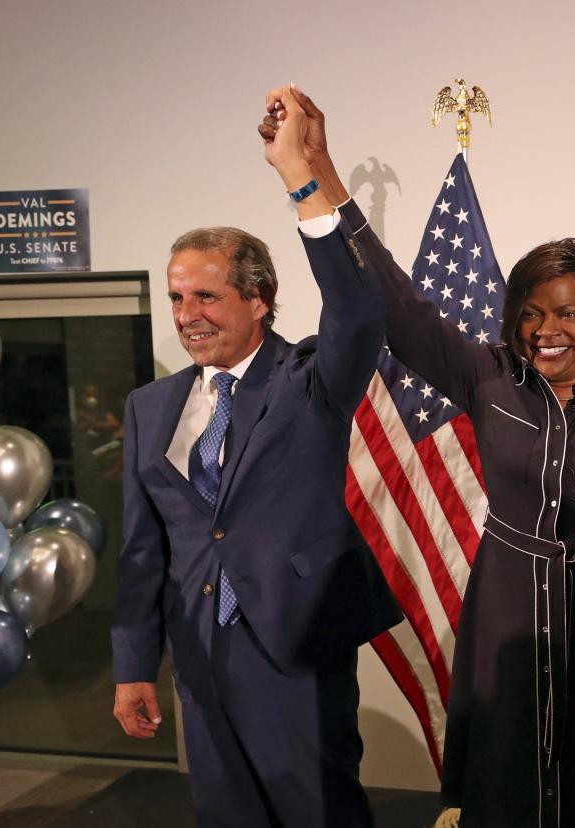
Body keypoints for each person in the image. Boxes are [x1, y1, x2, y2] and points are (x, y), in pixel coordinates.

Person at [258, 89, 575, 827]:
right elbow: (394, 299)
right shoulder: (487, 379)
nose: (546, 329)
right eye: (530, 312)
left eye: (567, 312)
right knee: (509, 783)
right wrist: (317, 171)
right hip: (507, 608)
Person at [112, 86, 402, 826]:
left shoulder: (311, 382)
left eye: (206, 298)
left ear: (259, 298)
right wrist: (132, 667)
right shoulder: (151, 408)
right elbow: (144, 555)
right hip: (200, 666)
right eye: (178, 299)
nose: (186, 317)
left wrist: (300, 181)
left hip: (296, 652)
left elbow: (362, 310)